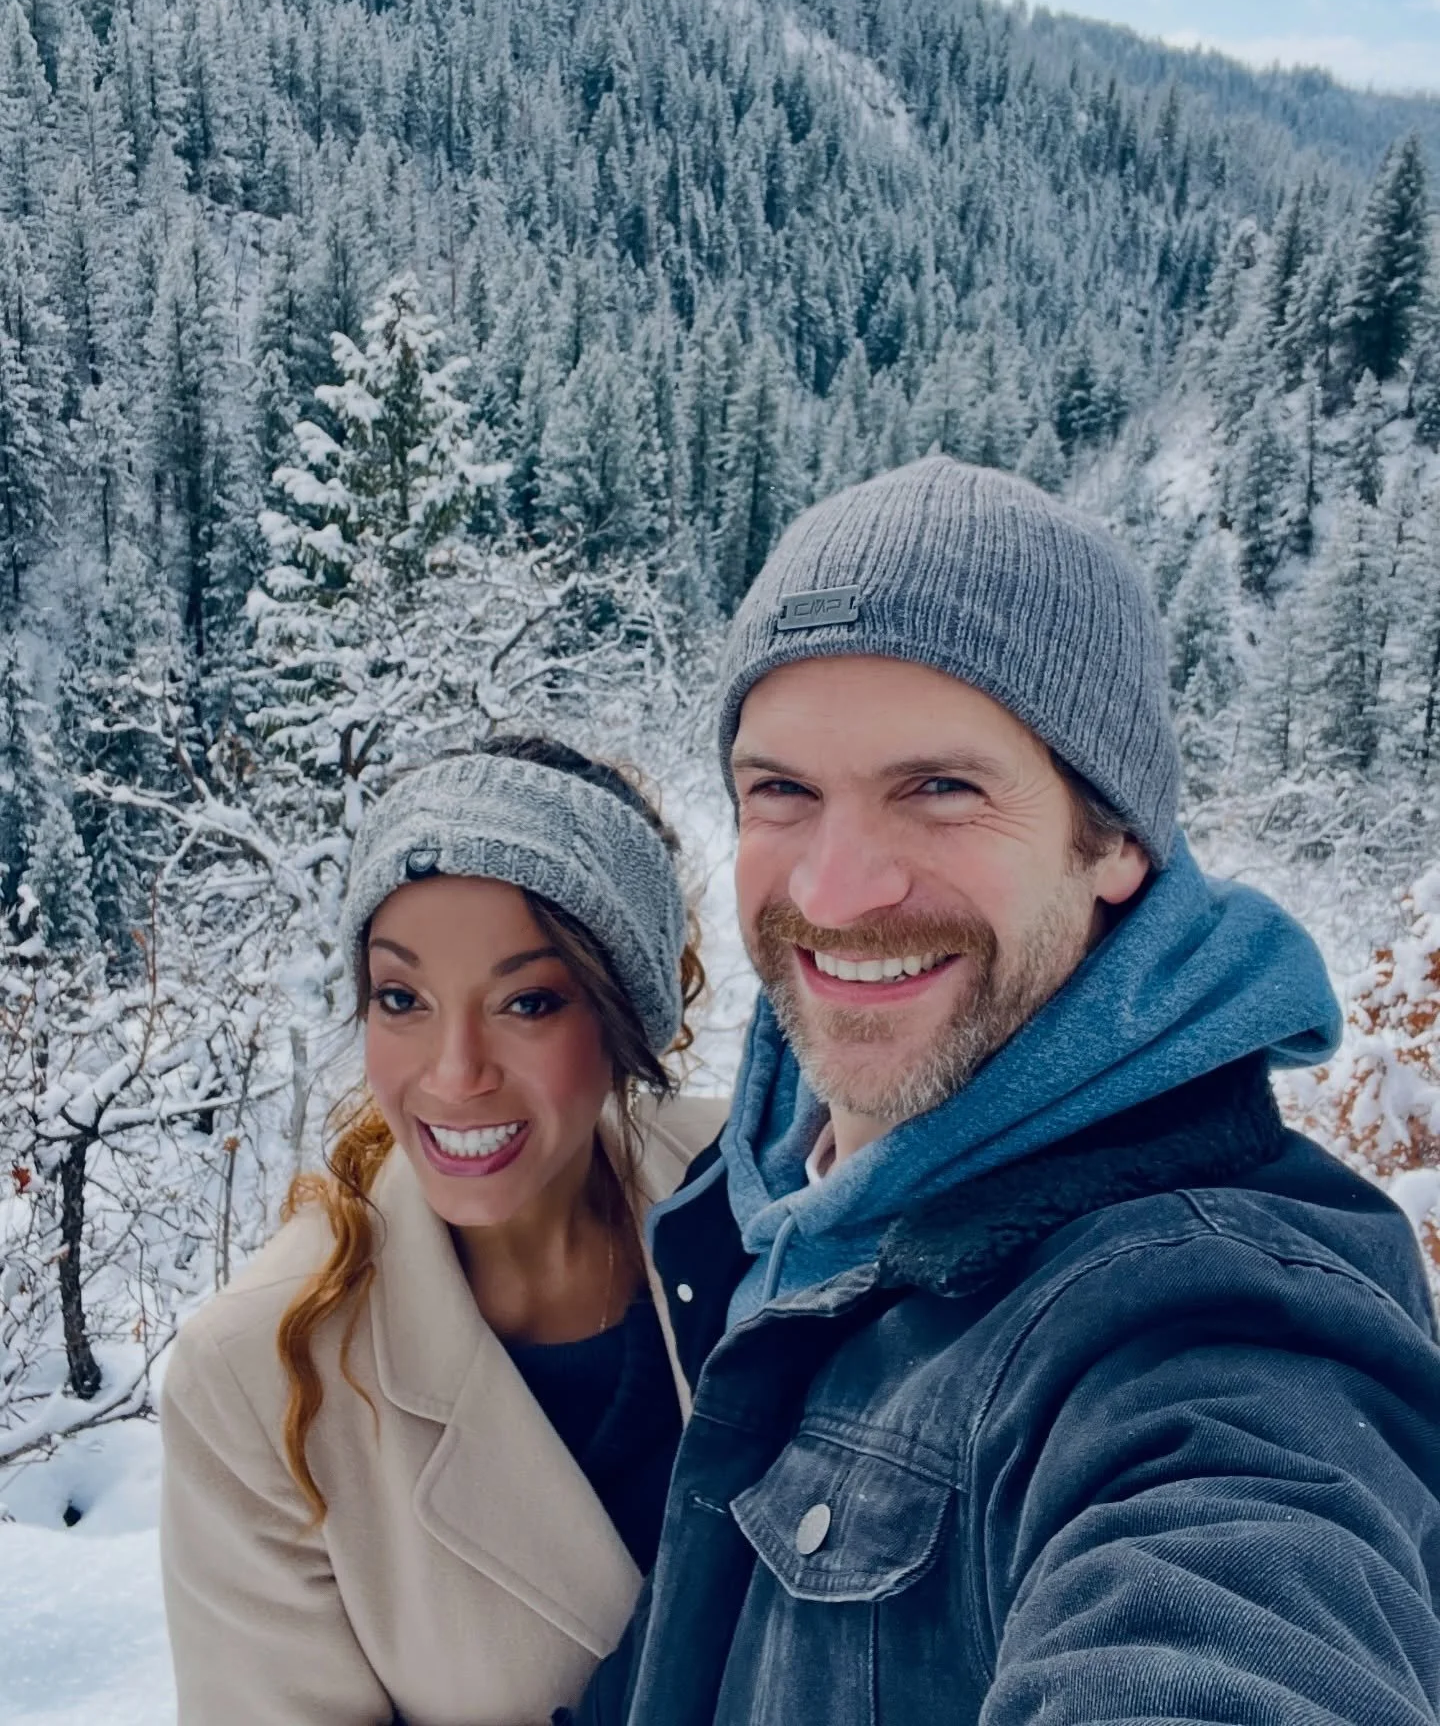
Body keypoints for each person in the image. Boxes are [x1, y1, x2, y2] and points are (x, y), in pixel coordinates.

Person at [564, 458, 1440, 1726]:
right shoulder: (780, 1199)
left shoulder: (1211, 1333)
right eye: (783, 794)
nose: (834, 888)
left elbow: (1238, 1615)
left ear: (1117, 839)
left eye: (941, 790)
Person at [160, 736, 723, 1726]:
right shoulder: (259, 1375)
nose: (454, 1073)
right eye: (402, 999)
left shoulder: (758, 1200)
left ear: (628, 1011)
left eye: (529, 1001)